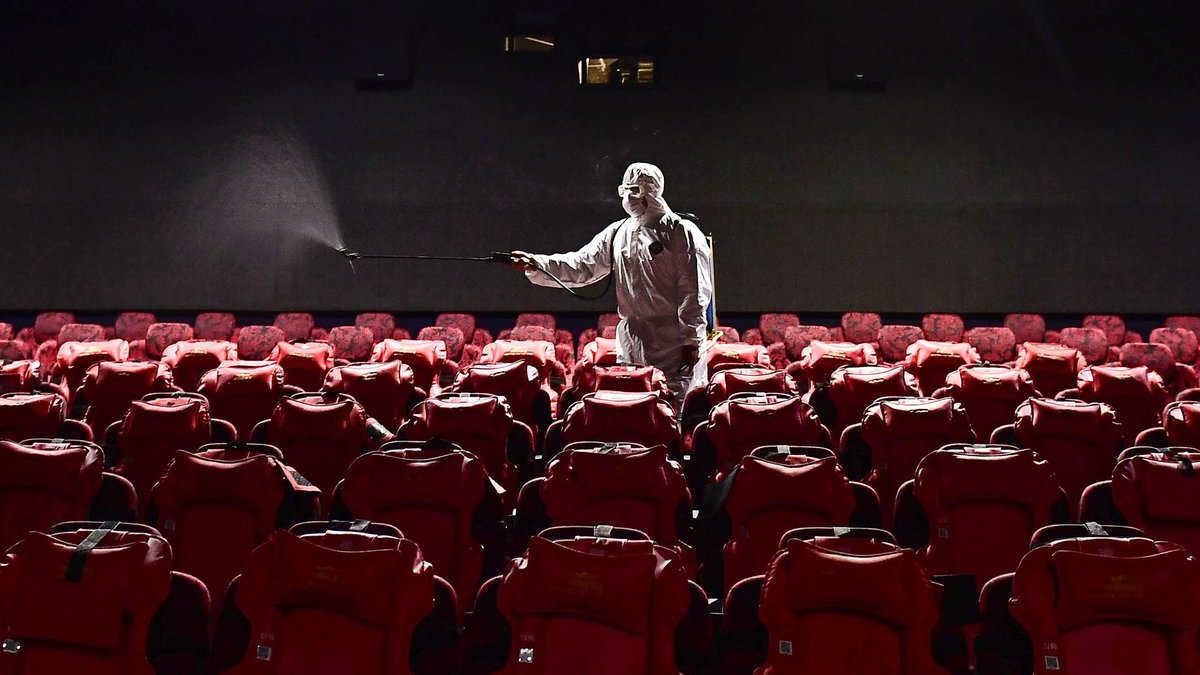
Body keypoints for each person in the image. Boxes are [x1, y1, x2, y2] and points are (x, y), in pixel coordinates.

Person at [510, 162, 713, 408]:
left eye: (634, 190)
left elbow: (694, 291)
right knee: (633, 409)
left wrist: (691, 340)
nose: (628, 197)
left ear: (651, 191)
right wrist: (535, 263)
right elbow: (582, 265)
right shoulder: (619, 232)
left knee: (672, 410)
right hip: (632, 339)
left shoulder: (680, 232)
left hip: (672, 343)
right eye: (624, 190)